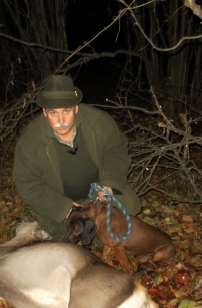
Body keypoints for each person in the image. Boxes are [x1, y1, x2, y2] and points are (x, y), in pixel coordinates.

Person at [13, 74, 141, 240]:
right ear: (44, 112)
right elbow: (27, 183)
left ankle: (101, 235)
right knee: (58, 240)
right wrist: (63, 207)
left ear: (76, 108)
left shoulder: (98, 122)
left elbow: (116, 150)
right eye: (53, 113)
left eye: (66, 111)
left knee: (129, 208)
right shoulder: (31, 141)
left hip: (97, 193)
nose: (61, 120)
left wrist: (109, 182)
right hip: (60, 199)